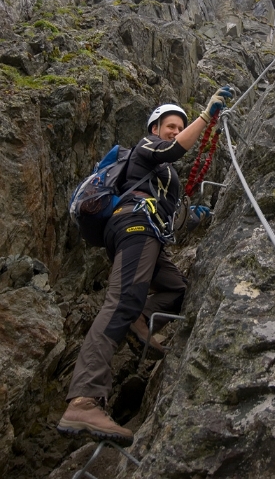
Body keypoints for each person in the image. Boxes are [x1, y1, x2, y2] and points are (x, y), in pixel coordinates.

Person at [57, 86, 233, 447]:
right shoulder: (146, 148)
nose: (173, 130)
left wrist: (194, 217)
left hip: (150, 233)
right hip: (134, 226)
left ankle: (141, 318)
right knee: (121, 300)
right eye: (170, 124)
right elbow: (173, 148)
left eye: (178, 125)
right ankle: (84, 399)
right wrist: (205, 114)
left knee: (178, 289)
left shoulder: (164, 174)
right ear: (155, 128)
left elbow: (174, 216)